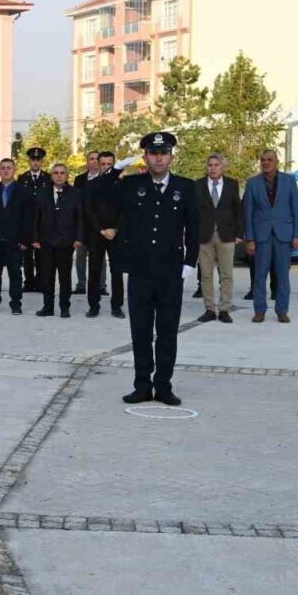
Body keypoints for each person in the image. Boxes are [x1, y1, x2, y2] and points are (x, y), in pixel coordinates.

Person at [110, 132, 199, 406]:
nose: (158, 158)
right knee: (141, 332)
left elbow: (194, 228)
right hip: (140, 271)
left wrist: (189, 262)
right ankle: (141, 385)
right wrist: (116, 168)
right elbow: (97, 192)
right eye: (153, 153)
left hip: (171, 272)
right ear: (145, 157)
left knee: (168, 331)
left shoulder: (185, 187)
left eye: (163, 153)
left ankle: (163, 386)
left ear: (171, 156)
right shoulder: (131, 184)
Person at [245, 149, 298, 323]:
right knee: (259, 276)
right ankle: (259, 310)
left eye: (269, 159)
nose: (266, 163)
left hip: (283, 235)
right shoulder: (252, 183)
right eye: (263, 160)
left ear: (277, 162)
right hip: (261, 236)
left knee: (283, 276)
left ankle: (282, 310)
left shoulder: (289, 181)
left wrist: (297, 235)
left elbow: (296, 209)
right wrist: (250, 238)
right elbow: (248, 213)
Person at [194, 154, 242, 323]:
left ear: (222, 167)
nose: (213, 168)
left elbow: (238, 209)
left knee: (226, 274)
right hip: (204, 236)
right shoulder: (198, 185)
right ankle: (209, 309)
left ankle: (224, 309)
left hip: (226, 236)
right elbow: (193, 212)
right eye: (210, 165)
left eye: (216, 165)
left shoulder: (231, 184)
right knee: (206, 275)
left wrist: (239, 234)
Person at [0, 158, 31, 315]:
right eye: (3, 168)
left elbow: (27, 218)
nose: (6, 170)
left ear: (14, 170)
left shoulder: (22, 191)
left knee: (15, 275)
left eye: (9, 168)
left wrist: (24, 240)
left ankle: (16, 304)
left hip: (14, 242)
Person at [32, 162, 83, 318]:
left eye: (62, 173)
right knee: (47, 277)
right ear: (51, 176)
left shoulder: (75, 193)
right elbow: (35, 217)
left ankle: (64, 307)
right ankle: (48, 307)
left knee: (65, 277)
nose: (59, 175)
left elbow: (80, 218)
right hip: (46, 242)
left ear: (67, 176)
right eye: (56, 173)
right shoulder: (42, 193)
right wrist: (34, 238)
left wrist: (79, 238)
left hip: (66, 242)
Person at [85, 151, 129, 318]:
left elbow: (125, 211)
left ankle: (117, 306)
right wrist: (101, 230)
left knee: (117, 271)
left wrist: (115, 229)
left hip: (116, 234)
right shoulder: (92, 184)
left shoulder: (122, 185)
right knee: (94, 270)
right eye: (102, 164)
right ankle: (93, 305)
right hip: (97, 234)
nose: (105, 167)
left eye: (109, 164)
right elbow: (88, 210)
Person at [17, 147, 51, 292]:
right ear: (29, 161)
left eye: (38, 160)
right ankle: (29, 282)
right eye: (33, 159)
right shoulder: (22, 178)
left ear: (42, 161)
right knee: (27, 256)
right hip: (27, 222)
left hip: (42, 223)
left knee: (41, 255)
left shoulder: (48, 178)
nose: (36, 162)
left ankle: (41, 282)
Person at [72, 151, 100, 295]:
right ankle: (81, 284)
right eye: (91, 159)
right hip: (83, 224)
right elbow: (75, 202)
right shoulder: (79, 179)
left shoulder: (106, 178)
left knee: (99, 257)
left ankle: (101, 286)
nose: (94, 161)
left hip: (100, 226)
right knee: (81, 257)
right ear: (87, 161)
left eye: (97, 159)